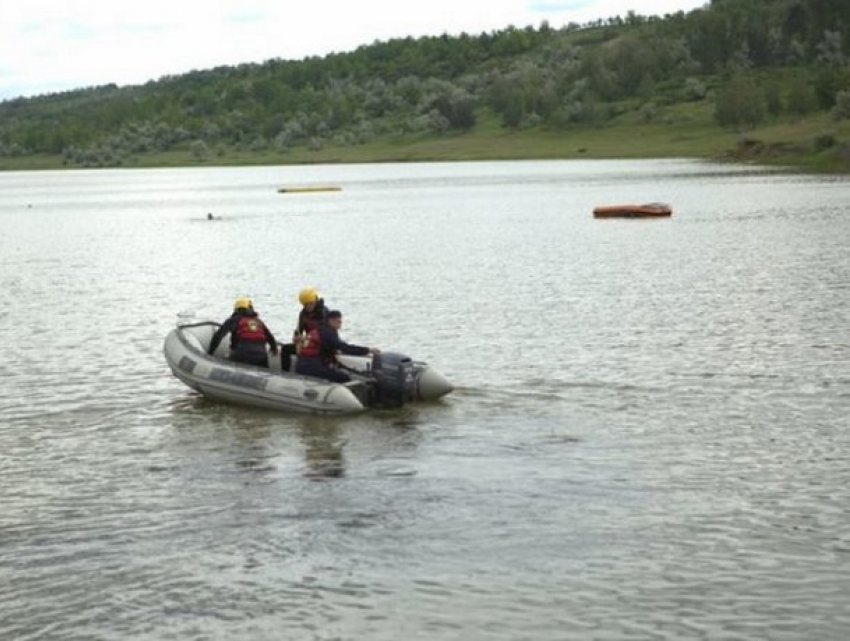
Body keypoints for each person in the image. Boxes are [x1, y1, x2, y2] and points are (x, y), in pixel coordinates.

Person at [296, 310, 380, 383]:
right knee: (343, 377)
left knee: (340, 371)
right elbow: (345, 348)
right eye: (338, 322)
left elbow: (327, 348)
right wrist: (368, 350)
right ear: (331, 321)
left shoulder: (320, 328)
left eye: (340, 322)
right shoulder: (328, 333)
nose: (340, 325)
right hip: (310, 366)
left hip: (304, 363)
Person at [208, 297, 279, 368]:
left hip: (243, 353)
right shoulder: (258, 321)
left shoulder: (234, 319)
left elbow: (218, 336)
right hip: (261, 355)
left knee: (224, 360)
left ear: (237, 309)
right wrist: (274, 349)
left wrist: (209, 353)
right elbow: (270, 338)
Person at [280, 286, 329, 371]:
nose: (308, 307)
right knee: (285, 349)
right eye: (305, 304)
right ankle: (285, 373)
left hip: (322, 345)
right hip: (308, 343)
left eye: (310, 303)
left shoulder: (324, 312)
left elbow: (327, 334)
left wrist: (306, 339)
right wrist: (297, 340)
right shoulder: (303, 314)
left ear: (315, 301)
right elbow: (298, 331)